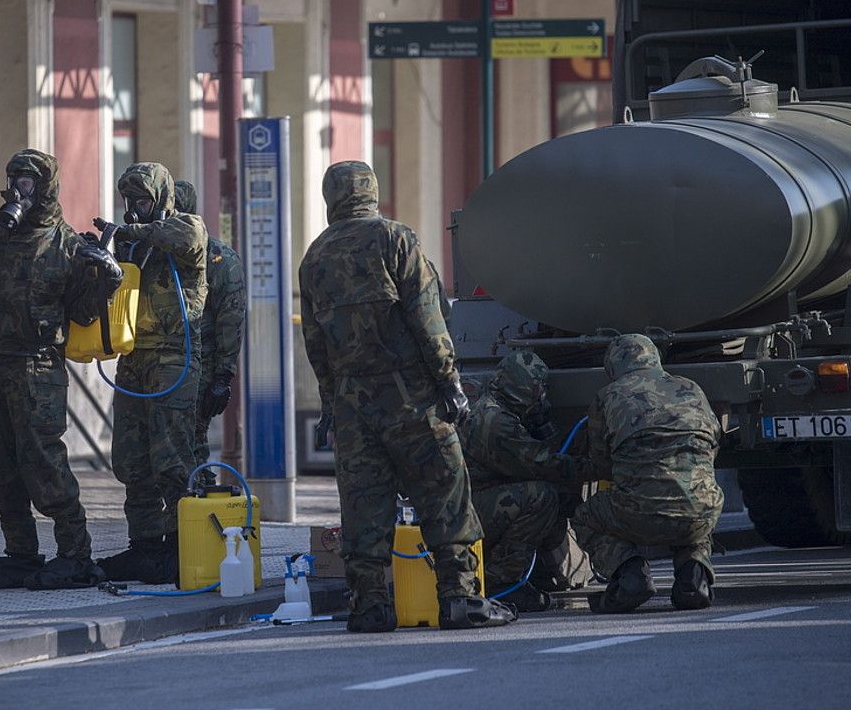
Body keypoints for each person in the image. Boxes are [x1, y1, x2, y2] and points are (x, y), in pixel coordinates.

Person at [299, 161, 515, 632]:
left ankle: (370, 605)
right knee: (445, 491)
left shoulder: (314, 258)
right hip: (411, 396)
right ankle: (458, 598)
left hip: (355, 405)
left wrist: (332, 407)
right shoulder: (396, 239)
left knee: (363, 504)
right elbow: (427, 317)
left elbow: (317, 346)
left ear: (330, 197)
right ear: (372, 192)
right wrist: (449, 382)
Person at [0, 149, 121, 590]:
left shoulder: (66, 246)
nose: (20, 189)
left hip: (38, 365)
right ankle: (21, 553)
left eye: (29, 182)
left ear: (47, 188)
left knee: (43, 463)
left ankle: (76, 554)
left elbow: (84, 314)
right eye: (15, 178)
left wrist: (105, 280)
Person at [93, 162, 208, 585]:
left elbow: (184, 238)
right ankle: (145, 547)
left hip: (173, 359)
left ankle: (183, 547)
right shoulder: (131, 247)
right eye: (129, 201)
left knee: (172, 461)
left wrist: (130, 232)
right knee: (131, 459)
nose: (134, 209)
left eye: (142, 200)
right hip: (133, 360)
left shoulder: (186, 230)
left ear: (160, 199)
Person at [575, 333, 724, 613]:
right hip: (700, 513)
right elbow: (713, 446)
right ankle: (694, 579)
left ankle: (630, 575)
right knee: (699, 500)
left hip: (638, 514)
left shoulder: (609, 395)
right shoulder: (691, 387)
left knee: (585, 516)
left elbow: (600, 463)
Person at [459, 350, 596, 612]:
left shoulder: (494, 410)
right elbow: (539, 464)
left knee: (551, 498)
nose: (542, 398)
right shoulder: (495, 422)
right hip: (470, 511)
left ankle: (539, 572)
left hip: (476, 504)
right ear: (523, 389)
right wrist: (593, 468)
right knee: (540, 496)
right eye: (538, 391)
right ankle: (503, 581)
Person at [172, 180, 245, 478]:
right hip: (155, 368)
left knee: (191, 444)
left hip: (200, 366)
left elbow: (231, 318)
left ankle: (195, 509)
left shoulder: (218, 258)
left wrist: (223, 376)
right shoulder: (152, 252)